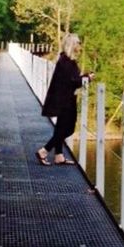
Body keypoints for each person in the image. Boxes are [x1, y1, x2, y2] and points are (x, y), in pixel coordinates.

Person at [36, 33, 92, 165]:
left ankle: (59, 155)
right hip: (65, 101)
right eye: (78, 43)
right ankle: (44, 151)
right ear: (72, 45)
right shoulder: (67, 62)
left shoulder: (65, 60)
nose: (79, 45)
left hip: (62, 99)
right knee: (67, 129)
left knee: (61, 127)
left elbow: (72, 79)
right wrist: (87, 78)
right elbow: (74, 82)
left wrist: (84, 76)